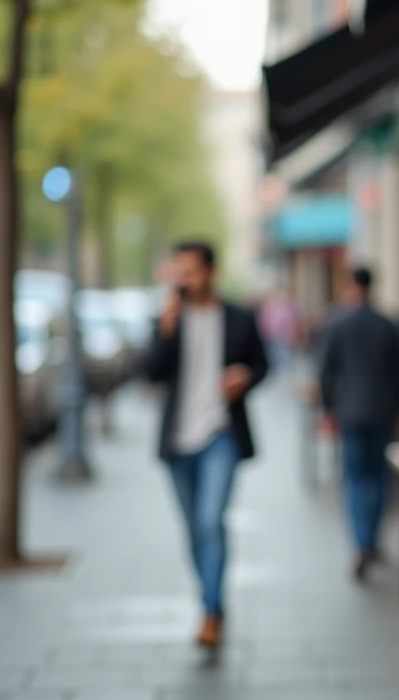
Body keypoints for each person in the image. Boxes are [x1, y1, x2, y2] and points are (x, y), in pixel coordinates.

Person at [146, 241, 268, 648]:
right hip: (178, 441)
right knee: (193, 529)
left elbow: (263, 363)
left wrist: (244, 377)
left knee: (210, 521)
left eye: (193, 271)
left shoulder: (237, 316)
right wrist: (164, 330)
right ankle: (210, 599)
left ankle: (211, 610)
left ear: (211, 272)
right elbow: (149, 372)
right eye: (180, 272)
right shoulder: (170, 318)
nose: (186, 280)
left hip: (221, 434)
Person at [318, 266, 399, 580]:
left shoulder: (337, 322)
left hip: (350, 412)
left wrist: (328, 410)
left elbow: (326, 371)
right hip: (383, 411)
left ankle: (361, 544)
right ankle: (373, 539)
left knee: (355, 478)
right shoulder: (388, 323)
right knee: (379, 478)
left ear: (348, 286)